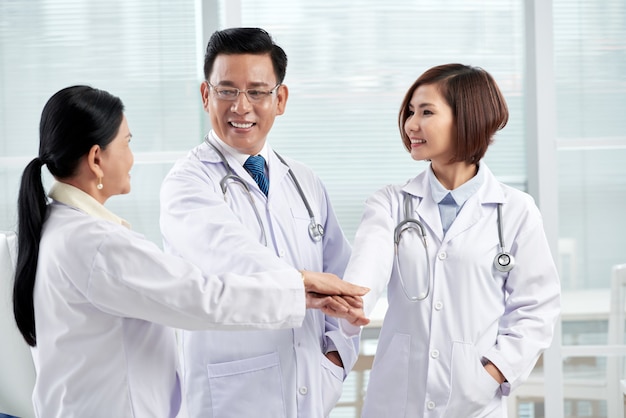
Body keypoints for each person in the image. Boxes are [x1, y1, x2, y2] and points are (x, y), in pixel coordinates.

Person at [13, 85, 369, 418]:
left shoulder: (57, 229)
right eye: (127, 143)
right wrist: (298, 286)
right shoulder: (97, 244)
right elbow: (199, 297)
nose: (132, 158)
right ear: (96, 159)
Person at [160, 27, 364, 418]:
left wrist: (335, 359)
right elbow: (231, 254)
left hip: (311, 392)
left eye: (256, 91)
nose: (241, 107)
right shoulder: (187, 182)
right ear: (206, 95)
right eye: (227, 90)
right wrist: (302, 281)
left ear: (280, 99)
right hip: (232, 397)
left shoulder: (304, 181)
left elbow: (342, 276)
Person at [339, 64, 561, 417]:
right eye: (411, 111)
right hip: (397, 401)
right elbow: (368, 265)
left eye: (426, 112)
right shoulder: (391, 203)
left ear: (468, 119)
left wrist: (490, 375)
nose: (412, 124)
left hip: (475, 404)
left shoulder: (516, 211)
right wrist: (352, 299)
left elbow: (536, 309)